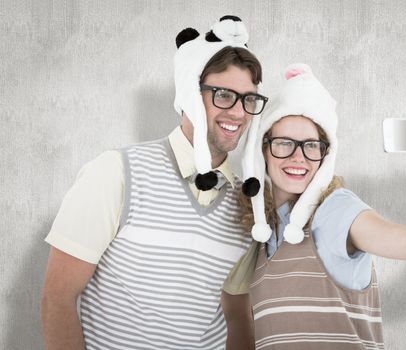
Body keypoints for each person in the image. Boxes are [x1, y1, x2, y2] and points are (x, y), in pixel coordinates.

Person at [40, 16, 267, 350]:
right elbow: (57, 300)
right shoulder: (115, 172)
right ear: (191, 94)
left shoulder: (247, 204)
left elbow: (237, 317)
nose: (238, 112)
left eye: (249, 99)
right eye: (223, 95)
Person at [237, 63, 406, 349]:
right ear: (263, 149)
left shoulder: (335, 211)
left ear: (325, 155)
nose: (298, 157)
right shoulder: (262, 236)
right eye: (284, 143)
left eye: (311, 145)